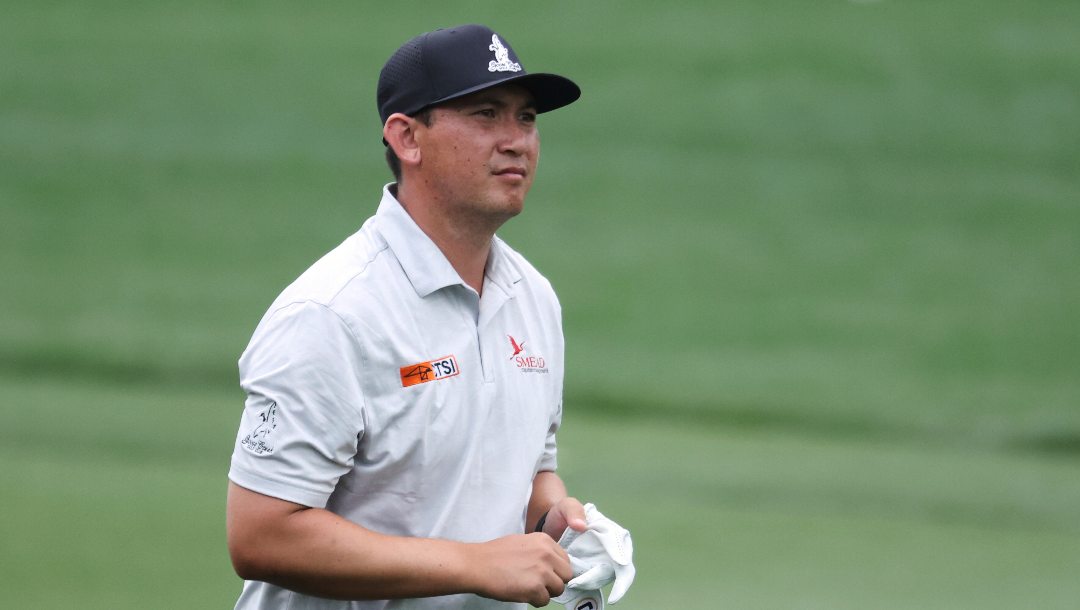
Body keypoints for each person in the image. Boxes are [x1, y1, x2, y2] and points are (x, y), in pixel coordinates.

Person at [225, 24, 591, 609]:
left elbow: (532, 470)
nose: (516, 140)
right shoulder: (330, 314)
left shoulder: (533, 296)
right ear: (407, 138)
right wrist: (474, 564)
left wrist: (554, 520)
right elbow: (262, 533)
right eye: (485, 114)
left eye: (526, 118)